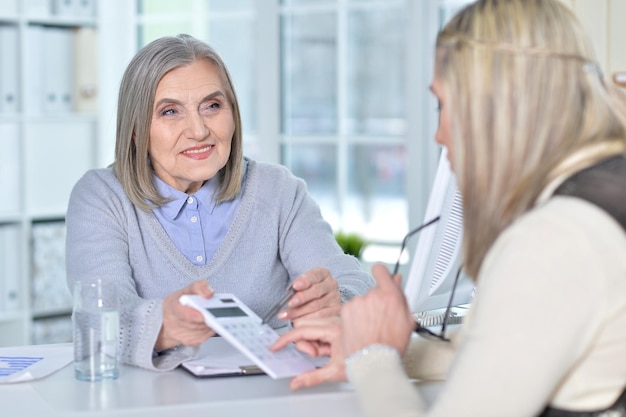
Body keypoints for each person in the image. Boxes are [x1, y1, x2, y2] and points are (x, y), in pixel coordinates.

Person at [271, 0, 626, 416]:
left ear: (497, 106)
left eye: (444, 106)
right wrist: (378, 345)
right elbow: (502, 362)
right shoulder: (600, 197)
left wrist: (373, 359)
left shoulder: (555, 241)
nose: (439, 135)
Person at [65, 34, 374, 372]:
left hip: (273, 394)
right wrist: (164, 327)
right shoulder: (101, 196)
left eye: (212, 106)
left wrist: (336, 303)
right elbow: (101, 313)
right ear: (137, 129)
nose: (198, 131)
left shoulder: (277, 189)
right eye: (170, 112)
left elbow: (353, 281)